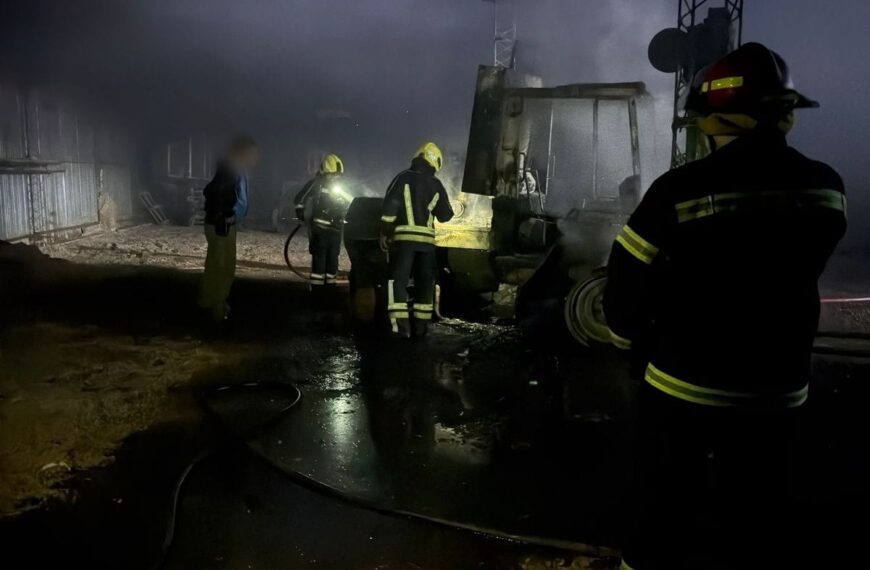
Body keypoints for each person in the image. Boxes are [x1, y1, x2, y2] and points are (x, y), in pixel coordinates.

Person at [603, 43, 847, 570]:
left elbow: (624, 286)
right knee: (756, 510)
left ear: (719, 120)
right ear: (783, 114)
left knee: (662, 503)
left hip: (684, 384)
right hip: (779, 388)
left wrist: (631, 345)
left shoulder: (681, 188)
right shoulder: (827, 187)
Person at [379, 142, 453, 338]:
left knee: (398, 283)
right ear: (435, 162)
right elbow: (446, 215)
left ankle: (399, 329)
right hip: (426, 246)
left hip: (402, 242)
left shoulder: (401, 178)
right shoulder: (436, 184)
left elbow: (388, 210)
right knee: (425, 285)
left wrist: (385, 234)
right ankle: (420, 329)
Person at [198, 135, 259, 322]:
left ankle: (207, 301)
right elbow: (212, 191)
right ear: (242, 153)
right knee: (223, 267)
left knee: (216, 264)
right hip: (222, 224)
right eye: (252, 154)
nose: (255, 158)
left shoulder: (236, 170)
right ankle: (217, 306)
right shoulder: (230, 170)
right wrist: (221, 215)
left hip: (224, 222)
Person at [294, 153, 353, 288]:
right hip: (319, 229)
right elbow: (299, 198)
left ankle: (330, 288)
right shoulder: (316, 184)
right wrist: (300, 211)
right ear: (326, 172)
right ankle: (317, 290)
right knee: (319, 259)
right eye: (332, 175)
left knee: (333, 260)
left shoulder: (342, 186)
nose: (335, 178)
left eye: (338, 176)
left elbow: (352, 201)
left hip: (336, 229)